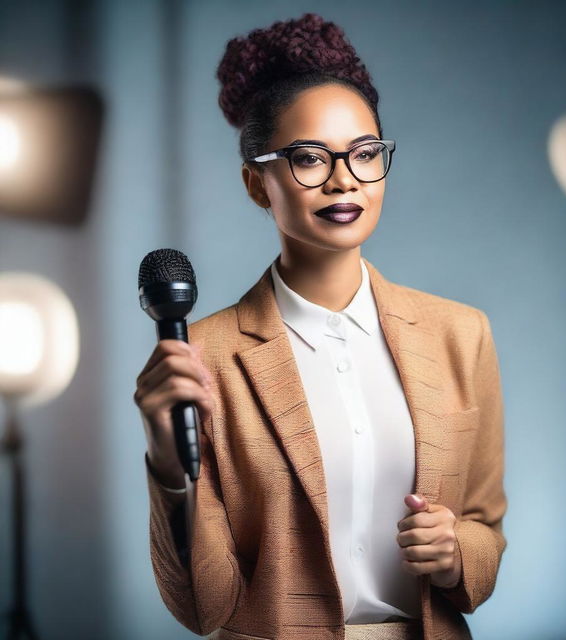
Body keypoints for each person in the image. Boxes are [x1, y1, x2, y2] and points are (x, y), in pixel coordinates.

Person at [133, 12, 508, 640]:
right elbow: (205, 607)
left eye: (365, 154)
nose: (344, 179)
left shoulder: (461, 335)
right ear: (258, 183)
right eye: (308, 158)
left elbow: (485, 536)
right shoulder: (203, 358)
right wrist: (169, 467)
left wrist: (457, 550)